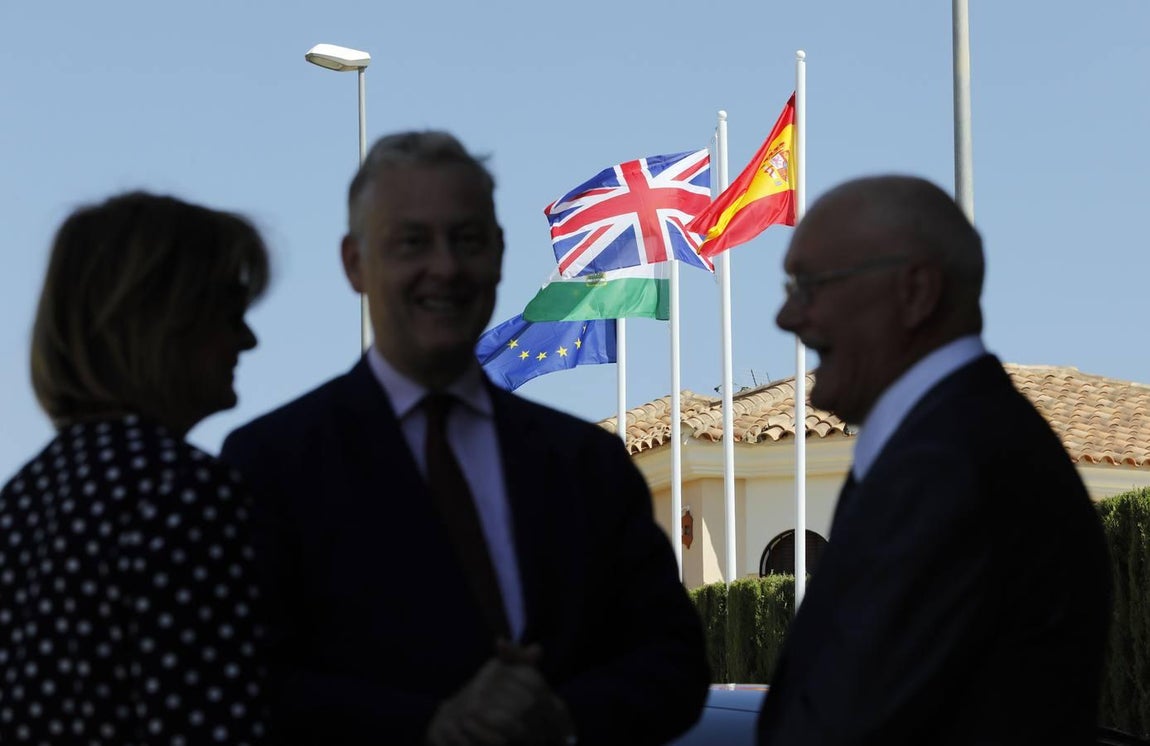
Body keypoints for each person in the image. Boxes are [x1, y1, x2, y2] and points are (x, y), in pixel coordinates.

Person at [219, 130, 710, 746]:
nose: (445, 267)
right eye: (412, 243)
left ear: (500, 253)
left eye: (467, 240)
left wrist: (558, 717)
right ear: (353, 264)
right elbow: (246, 682)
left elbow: (673, 664)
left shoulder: (585, 465)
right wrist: (432, 728)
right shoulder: (270, 464)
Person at [757, 174, 1112, 744]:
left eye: (810, 286)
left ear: (916, 292)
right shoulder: (941, 451)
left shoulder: (954, 471)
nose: (788, 317)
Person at [0, 191, 272, 744]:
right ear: (165, 317)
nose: (248, 339)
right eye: (230, 307)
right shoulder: (181, 492)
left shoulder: (23, 499)